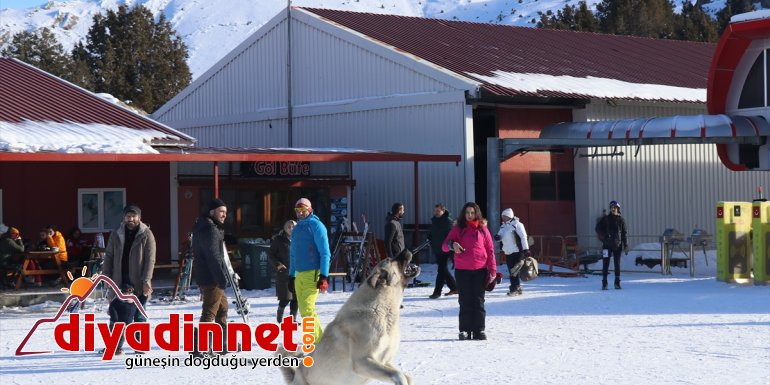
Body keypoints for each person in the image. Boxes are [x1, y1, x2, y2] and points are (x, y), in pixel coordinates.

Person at [442, 202, 497, 341]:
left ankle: (479, 330)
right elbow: (444, 246)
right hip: (462, 270)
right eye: (467, 213)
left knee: (478, 301)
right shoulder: (457, 229)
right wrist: (451, 245)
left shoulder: (483, 229)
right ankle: (464, 330)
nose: (470, 215)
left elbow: (490, 250)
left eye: (472, 213)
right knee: (465, 300)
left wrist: (493, 270)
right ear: (463, 214)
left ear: (476, 213)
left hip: (480, 270)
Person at [103, 204, 156, 321]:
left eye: (133, 216)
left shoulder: (146, 234)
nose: (130, 219)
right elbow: (109, 256)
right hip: (119, 279)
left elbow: (150, 260)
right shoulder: (116, 233)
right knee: (117, 317)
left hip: (139, 281)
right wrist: (106, 274)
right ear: (124, 218)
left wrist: (146, 280)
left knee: (139, 317)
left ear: (139, 218)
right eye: (128, 216)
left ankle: (138, 339)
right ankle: (117, 339)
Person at [289, 198, 330, 343]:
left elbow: (325, 252)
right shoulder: (297, 228)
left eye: (303, 210)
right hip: (299, 274)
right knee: (304, 309)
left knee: (307, 308)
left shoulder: (316, 225)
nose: (300, 213)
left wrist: (324, 276)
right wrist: (291, 275)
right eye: (297, 211)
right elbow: (293, 254)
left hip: (313, 273)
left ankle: (320, 342)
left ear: (310, 209)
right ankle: (318, 340)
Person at [192, 198, 230, 356]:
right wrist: (221, 278)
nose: (224, 215)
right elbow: (213, 256)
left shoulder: (203, 226)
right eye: (221, 212)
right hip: (212, 278)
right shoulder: (210, 229)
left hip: (206, 275)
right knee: (209, 312)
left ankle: (222, 344)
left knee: (222, 309)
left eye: (226, 213)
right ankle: (199, 347)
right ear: (211, 212)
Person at [496, 208, 530, 296]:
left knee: (514, 271)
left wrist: (526, 249)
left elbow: (523, 237)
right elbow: (500, 235)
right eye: (502, 216)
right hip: (508, 252)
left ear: (508, 216)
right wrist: (498, 237)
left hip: (518, 251)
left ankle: (515, 289)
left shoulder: (517, 225)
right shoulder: (503, 226)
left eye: (504, 216)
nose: (502, 218)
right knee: (512, 271)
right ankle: (517, 288)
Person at [269, 220, 298, 323]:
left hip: (297, 273)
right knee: (286, 298)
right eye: (288, 227)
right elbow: (271, 255)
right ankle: (280, 312)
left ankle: (293, 319)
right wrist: (278, 264)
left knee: (296, 298)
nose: (291, 229)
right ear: (285, 229)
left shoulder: (300, 239)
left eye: (293, 227)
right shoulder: (278, 240)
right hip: (284, 273)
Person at [595, 200, 628, 290]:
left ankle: (617, 283)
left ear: (618, 209)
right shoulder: (605, 219)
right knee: (605, 264)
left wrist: (626, 244)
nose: (613, 209)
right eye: (612, 208)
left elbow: (624, 233)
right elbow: (597, 228)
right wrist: (604, 235)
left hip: (617, 245)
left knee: (617, 264)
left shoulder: (621, 220)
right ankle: (604, 283)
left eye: (615, 208)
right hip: (606, 245)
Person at [428, 203, 457, 299]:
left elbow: (451, 235)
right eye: (435, 210)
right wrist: (430, 237)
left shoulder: (447, 222)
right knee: (443, 270)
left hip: (446, 249)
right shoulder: (435, 220)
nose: (435, 212)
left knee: (441, 270)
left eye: (438, 211)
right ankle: (454, 287)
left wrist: (451, 247)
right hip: (437, 248)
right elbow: (433, 232)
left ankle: (437, 292)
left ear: (443, 211)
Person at [106, 282, 139, 356]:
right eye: (124, 292)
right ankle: (117, 348)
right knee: (119, 337)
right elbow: (112, 310)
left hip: (126, 323)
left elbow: (134, 311)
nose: (126, 295)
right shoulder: (116, 301)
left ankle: (113, 347)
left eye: (128, 292)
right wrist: (115, 320)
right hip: (116, 322)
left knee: (119, 337)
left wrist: (145, 295)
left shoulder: (134, 302)